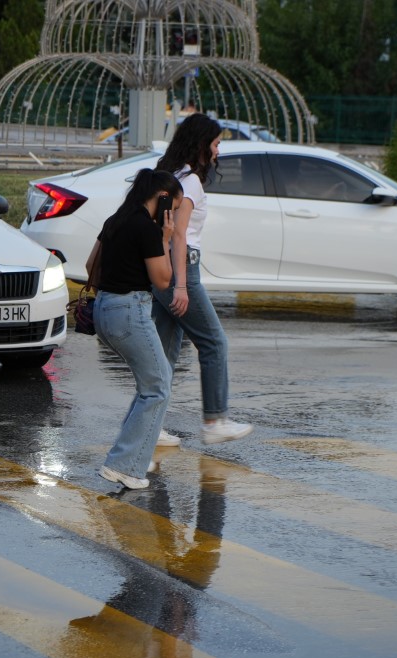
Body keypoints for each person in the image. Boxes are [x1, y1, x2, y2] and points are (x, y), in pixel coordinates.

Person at [152, 113, 253, 446]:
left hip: (161, 267)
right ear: (201, 146)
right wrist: (181, 284)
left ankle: (149, 428)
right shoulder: (190, 181)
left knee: (164, 353)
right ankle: (215, 420)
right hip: (180, 269)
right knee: (213, 342)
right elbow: (178, 235)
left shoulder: (167, 173)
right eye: (216, 144)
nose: (218, 152)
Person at [88, 169, 183, 490]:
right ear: (164, 198)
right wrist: (166, 240)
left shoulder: (116, 220)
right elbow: (163, 280)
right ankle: (124, 465)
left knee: (151, 385)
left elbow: (91, 267)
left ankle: (135, 456)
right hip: (130, 310)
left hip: (105, 308)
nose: (175, 215)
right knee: (158, 387)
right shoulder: (145, 227)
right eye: (176, 207)